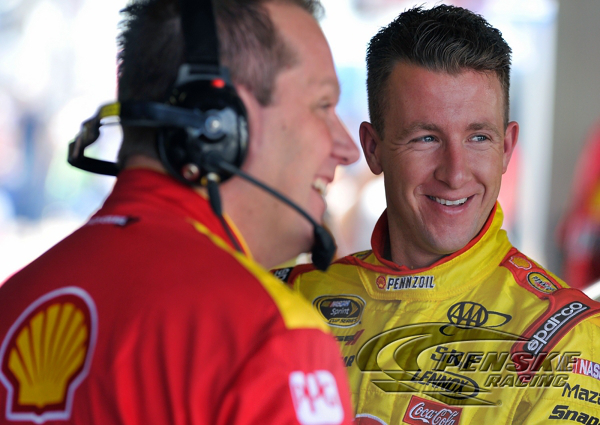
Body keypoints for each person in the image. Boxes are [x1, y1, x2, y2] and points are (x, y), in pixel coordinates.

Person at [0, 0, 360, 423]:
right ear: (219, 125)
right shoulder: (269, 335)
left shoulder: (12, 302)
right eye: (323, 106)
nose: (348, 148)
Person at [275, 5, 600, 424]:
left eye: (478, 137)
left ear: (506, 148)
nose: (455, 173)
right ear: (373, 148)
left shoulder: (563, 338)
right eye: (426, 138)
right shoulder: (291, 300)